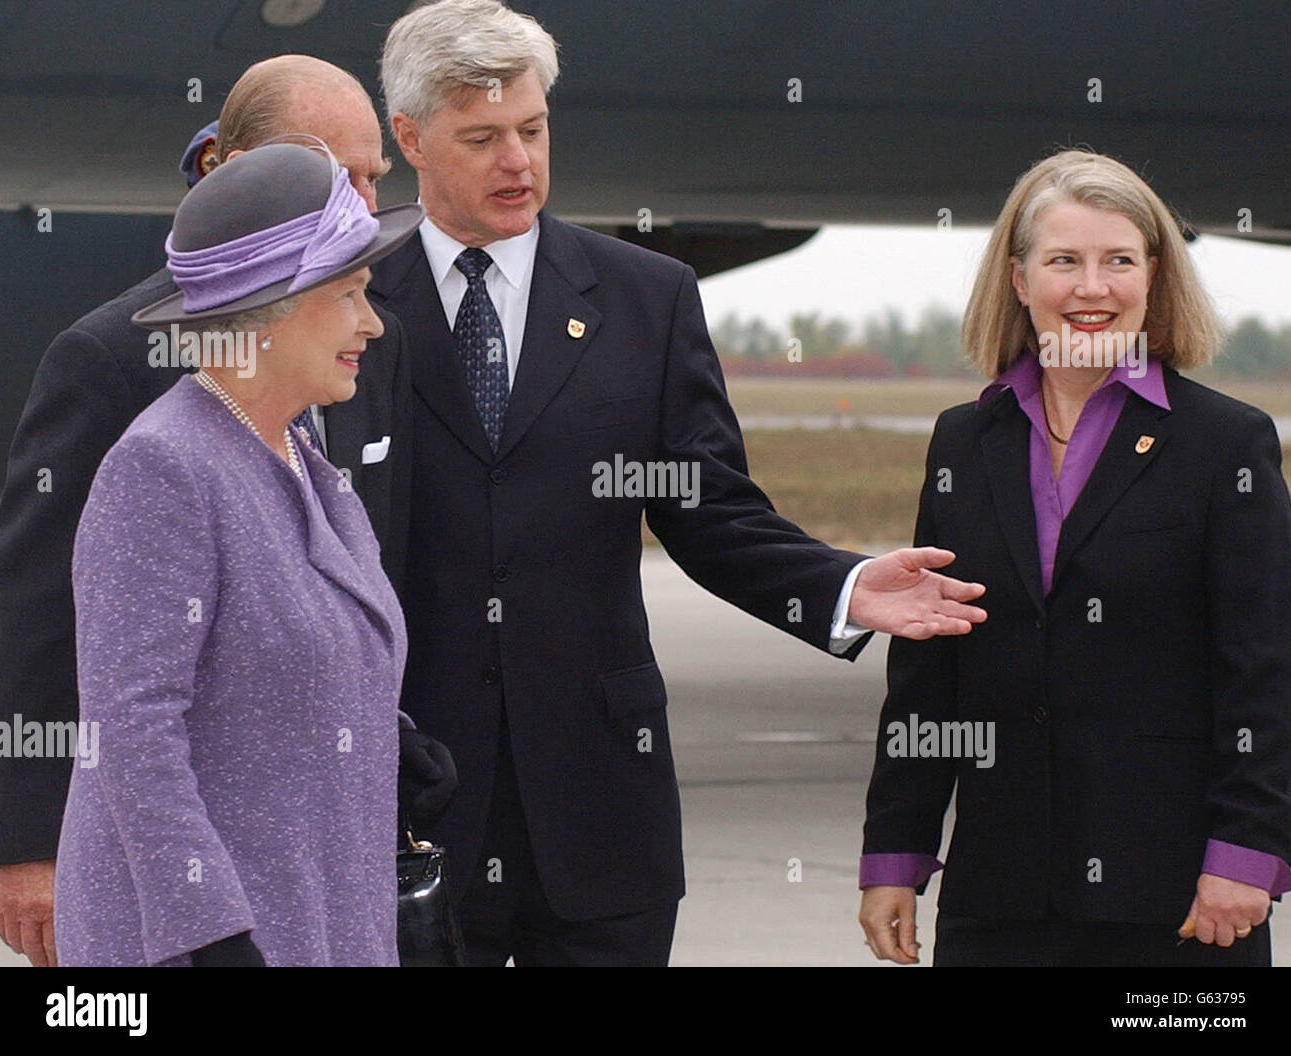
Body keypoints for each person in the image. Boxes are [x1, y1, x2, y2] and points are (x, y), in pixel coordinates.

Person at [373, 0, 987, 966]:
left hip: (601, 805)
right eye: (482, 138)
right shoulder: (351, 300)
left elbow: (708, 511)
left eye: (533, 130)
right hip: (404, 798)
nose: (519, 163)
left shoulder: (642, 298)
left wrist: (839, 584)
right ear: (409, 137)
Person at [0, 54, 453, 968]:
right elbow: (129, 726)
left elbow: (287, 644)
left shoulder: (305, 459)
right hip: (215, 931)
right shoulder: (161, 464)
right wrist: (207, 935)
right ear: (272, 309)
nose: (373, 323)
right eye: (350, 294)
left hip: (320, 905)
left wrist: (390, 738)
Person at [857, 149, 1291, 967]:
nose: (1091, 288)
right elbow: (929, 670)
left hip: (1180, 897)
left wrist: (1248, 851)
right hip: (999, 894)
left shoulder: (1225, 443)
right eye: (1064, 261)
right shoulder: (966, 440)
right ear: (1021, 280)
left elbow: (1266, 672)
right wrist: (896, 851)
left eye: (1118, 261)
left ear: (1154, 277)